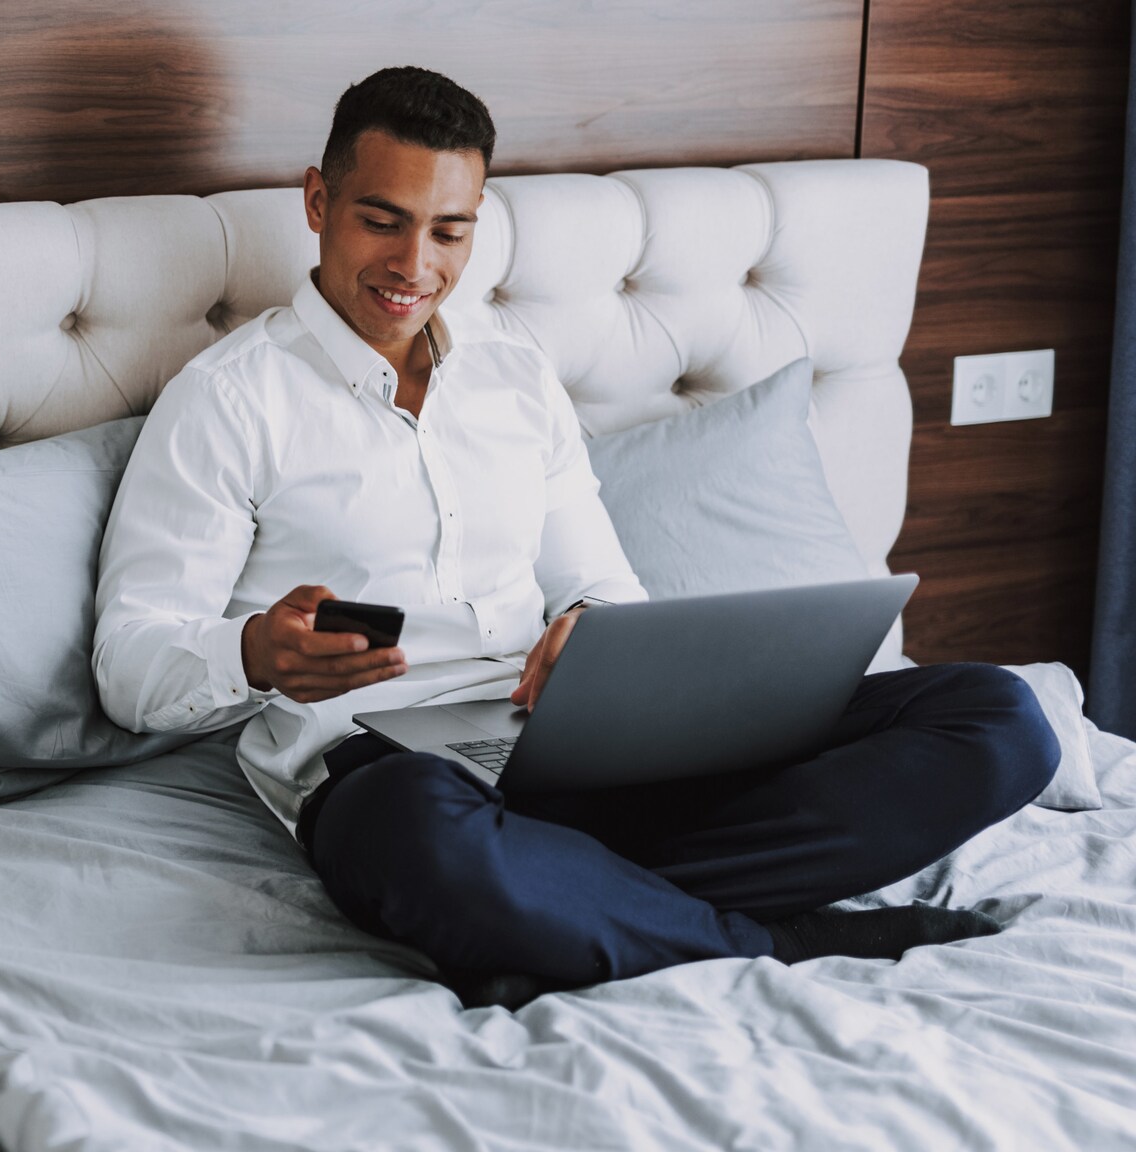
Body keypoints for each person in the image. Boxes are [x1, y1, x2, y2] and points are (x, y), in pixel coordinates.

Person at [91, 66, 1060, 1009]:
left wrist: (591, 628)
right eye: (379, 219)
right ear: (317, 200)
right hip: (388, 771)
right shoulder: (226, 399)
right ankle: (766, 939)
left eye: (448, 231)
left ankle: (565, 916)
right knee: (415, 840)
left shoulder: (513, 373)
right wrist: (256, 651)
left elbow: (596, 579)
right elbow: (131, 672)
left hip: (574, 743)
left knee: (997, 719)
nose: (411, 266)